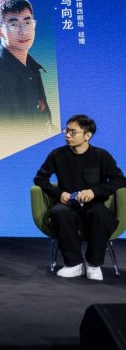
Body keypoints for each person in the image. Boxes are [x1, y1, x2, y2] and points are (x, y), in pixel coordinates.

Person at [34, 114, 126, 281]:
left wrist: (95, 192)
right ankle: (74, 263)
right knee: (60, 212)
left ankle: (93, 264)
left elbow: (120, 180)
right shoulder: (57, 155)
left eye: (73, 132)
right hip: (68, 205)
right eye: (66, 131)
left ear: (87, 135)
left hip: (94, 205)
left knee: (99, 214)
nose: (67, 135)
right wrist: (59, 193)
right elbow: (40, 179)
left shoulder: (101, 156)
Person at [0, 0, 54, 135]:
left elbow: (45, 126)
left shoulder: (32, 69)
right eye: (14, 24)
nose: (24, 31)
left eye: (28, 22)